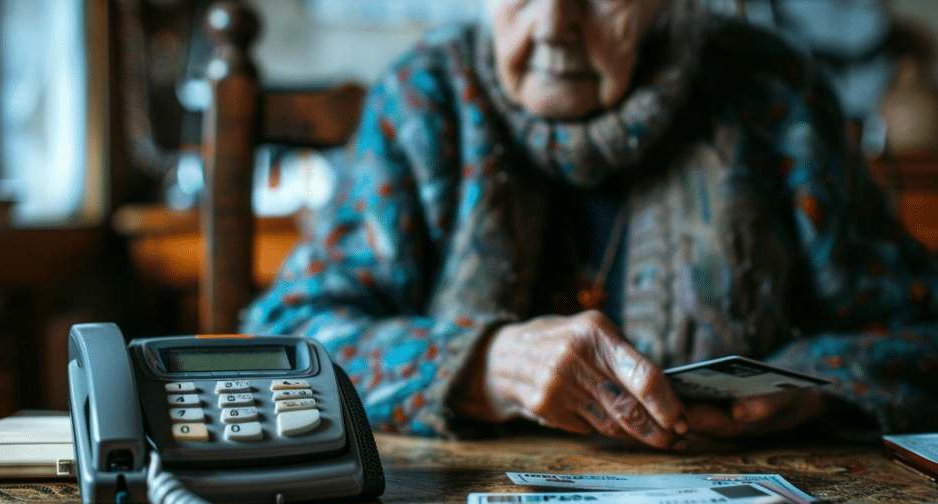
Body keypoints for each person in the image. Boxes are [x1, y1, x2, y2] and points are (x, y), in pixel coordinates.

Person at [241, 0, 938, 450]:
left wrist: (809, 392)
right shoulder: (424, 100)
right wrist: (485, 365)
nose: (553, 24)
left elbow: (918, 330)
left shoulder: (772, 92)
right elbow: (289, 338)